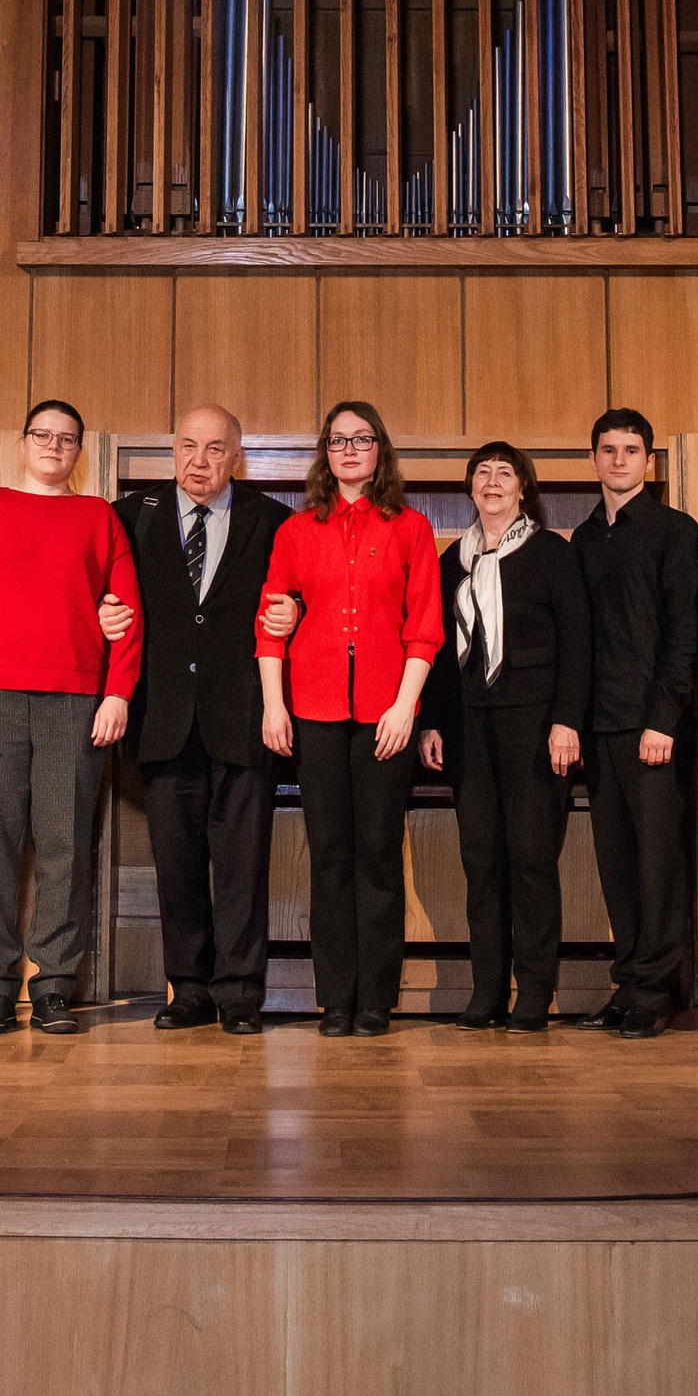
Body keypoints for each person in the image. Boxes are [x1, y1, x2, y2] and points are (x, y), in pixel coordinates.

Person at [0, 397, 143, 1036]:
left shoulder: (99, 518)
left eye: (67, 439)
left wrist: (117, 693)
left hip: (77, 702)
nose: (54, 446)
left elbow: (128, 612)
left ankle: (55, 984)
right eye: (43, 434)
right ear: (23, 441)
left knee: (65, 846)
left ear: (80, 452)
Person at [256, 400, 442, 1038]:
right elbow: (270, 622)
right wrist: (275, 705)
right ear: (325, 453)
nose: (350, 449)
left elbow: (424, 630)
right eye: (338, 440)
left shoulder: (411, 528)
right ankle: (335, 998)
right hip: (315, 710)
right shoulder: (297, 530)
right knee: (330, 856)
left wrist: (404, 707)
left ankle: (375, 1002)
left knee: (379, 856)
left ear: (380, 451)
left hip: (387, 713)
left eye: (362, 439)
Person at [122, 404, 285, 1036]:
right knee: (177, 863)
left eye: (216, 449)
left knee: (243, 865)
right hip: (162, 719)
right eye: (189, 446)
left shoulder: (272, 521)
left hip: (243, 717)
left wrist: (291, 610)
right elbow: (108, 595)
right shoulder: (134, 517)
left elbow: (294, 596)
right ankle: (188, 987)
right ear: (172, 452)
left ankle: (241, 991)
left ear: (236, 456)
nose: (200, 461)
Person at [419, 440, 591, 1031]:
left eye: (504, 473)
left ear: (523, 490)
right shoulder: (451, 562)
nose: (492, 481)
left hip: (536, 725)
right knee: (481, 862)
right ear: (469, 488)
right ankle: (486, 991)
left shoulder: (551, 554)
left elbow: (578, 645)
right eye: (482, 473)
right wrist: (432, 722)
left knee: (532, 861)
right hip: (468, 726)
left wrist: (568, 720)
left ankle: (535, 994)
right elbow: (438, 654)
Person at [569, 407, 698, 1036]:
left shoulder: (676, 531)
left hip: (654, 726)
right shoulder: (586, 538)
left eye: (631, 450)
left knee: (658, 862)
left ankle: (654, 989)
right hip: (600, 725)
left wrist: (663, 718)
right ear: (593, 459)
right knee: (616, 861)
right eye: (607, 449)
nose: (618, 460)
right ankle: (628, 983)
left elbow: (684, 634)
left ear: (648, 462)